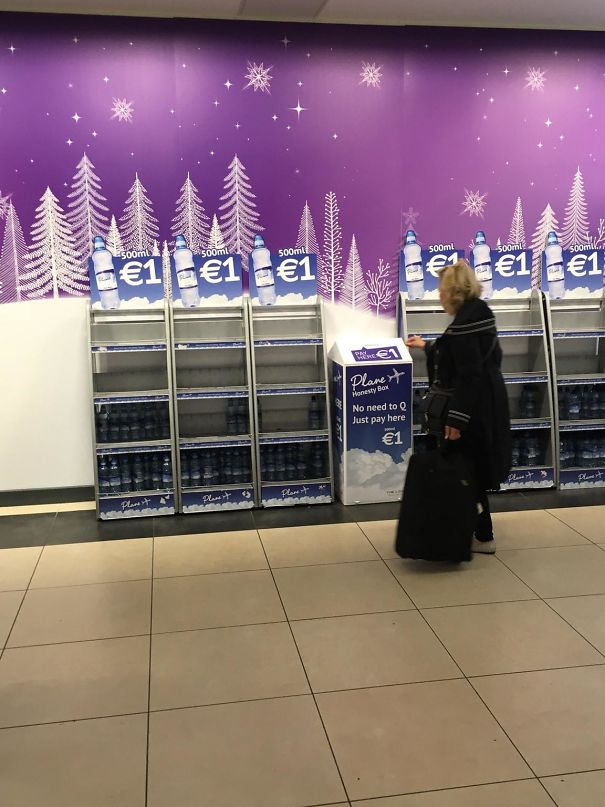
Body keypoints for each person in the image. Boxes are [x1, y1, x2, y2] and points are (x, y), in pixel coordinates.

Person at [406, 259, 511, 554]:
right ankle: (475, 530)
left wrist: (456, 420)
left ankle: (481, 534)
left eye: (441, 290)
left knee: (465, 469)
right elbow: (470, 360)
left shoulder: (464, 326)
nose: (438, 295)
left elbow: (468, 375)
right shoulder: (480, 317)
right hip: (488, 404)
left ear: (453, 293)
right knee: (469, 467)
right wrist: (427, 346)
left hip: (471, 410)